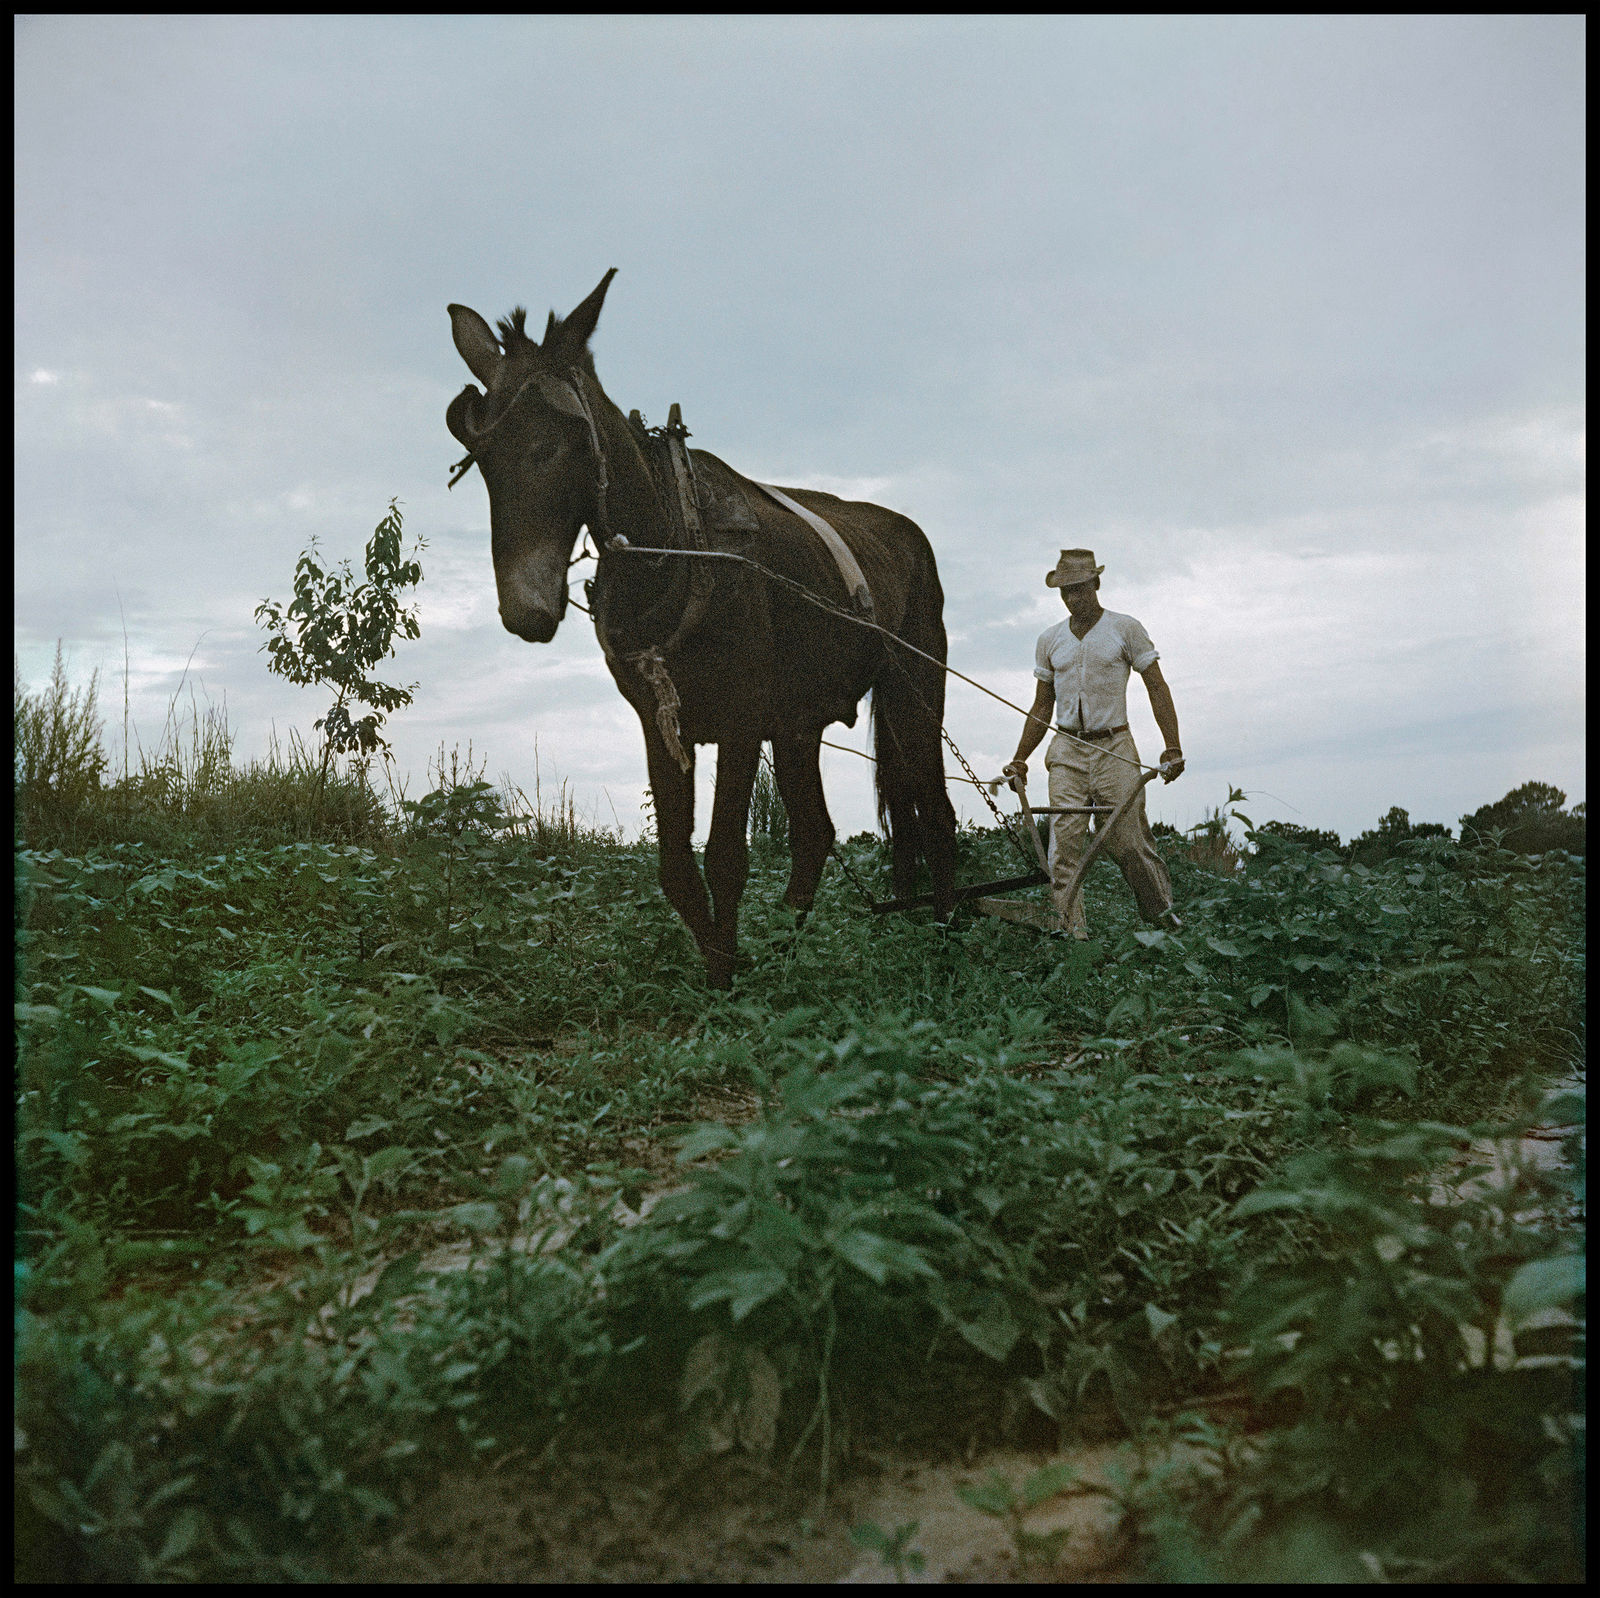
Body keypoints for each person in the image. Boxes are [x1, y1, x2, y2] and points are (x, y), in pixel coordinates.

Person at [1002, 549, 1184, 937]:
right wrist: (1020, 758)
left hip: (1113, 748)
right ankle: (1072, 934)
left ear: (1096, 584)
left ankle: (1163, 923)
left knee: (1130, 844)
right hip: (1066, 751)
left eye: (1079, 589)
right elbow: (1042, 704)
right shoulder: (1050, 640)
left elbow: (1156, 685)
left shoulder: (1125, 628)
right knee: (1064, 846)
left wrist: (1172, 746)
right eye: (1066, 592)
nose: (1072, 598)